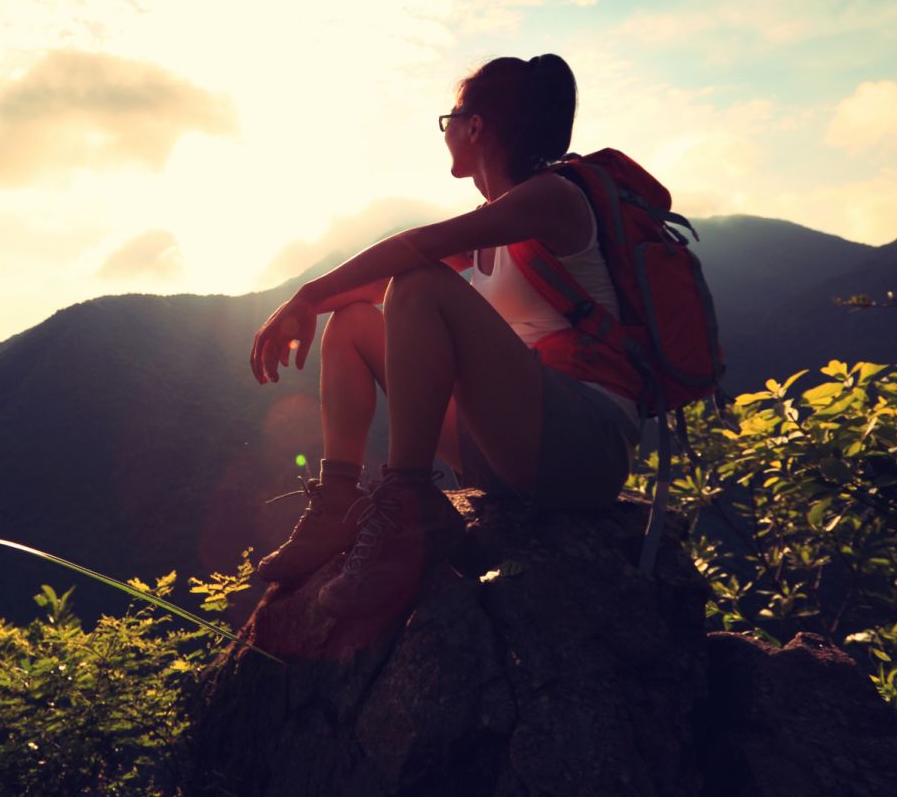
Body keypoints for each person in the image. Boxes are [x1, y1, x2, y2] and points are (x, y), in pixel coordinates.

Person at [248, 54, 643, 620]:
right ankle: (338, 501)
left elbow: (414, 254)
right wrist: (313, 308)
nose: (447, 132)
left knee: (418, 282)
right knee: (355, 319)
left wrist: (308, 293)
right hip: (509, 451)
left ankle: (409, 505)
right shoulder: (494, 222)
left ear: (475, 126)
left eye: (449, 119)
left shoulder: (552, 198)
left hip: (582, 444)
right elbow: (371, 287)